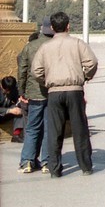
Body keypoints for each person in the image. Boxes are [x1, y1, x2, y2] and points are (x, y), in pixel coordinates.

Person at [32, 11, 98, 178]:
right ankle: (85, 166)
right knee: (79, 129)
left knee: (55, 131)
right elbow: (92, 62)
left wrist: (46, 81)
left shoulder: (45, 47)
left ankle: (55, 169)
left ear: (52, 28)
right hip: (74, 90)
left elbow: (36, 70)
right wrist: (86, 76)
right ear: (68, 26)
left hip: (54, 91)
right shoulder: (77, 43)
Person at [17, 17, 55, 173]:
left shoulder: (30, 46)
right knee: (49, 129)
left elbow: (22, 71)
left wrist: (21, 92)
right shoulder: (56, 45)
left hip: (34, 93)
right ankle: (47, 162)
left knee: (32, 128)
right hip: (52, 92)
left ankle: (27, 161)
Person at [1, 76, 25, 142]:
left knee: (21, 107)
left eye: (10, 90)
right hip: (2, 112)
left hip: (6, 112)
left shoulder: (13, 88)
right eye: (6, 90)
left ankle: (16, 134)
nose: (8, 92)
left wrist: (20, 99)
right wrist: (9, 110)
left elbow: (17, 97)